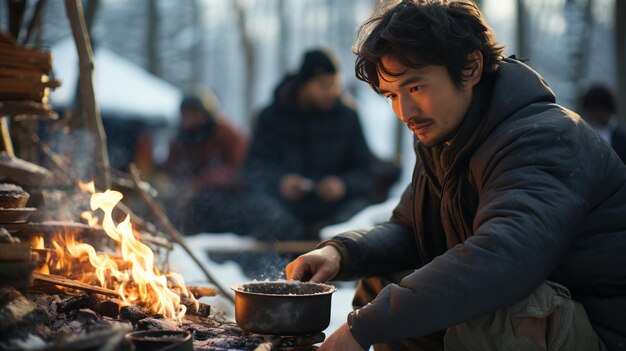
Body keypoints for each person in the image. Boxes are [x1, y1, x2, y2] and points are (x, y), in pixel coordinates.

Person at [286, 1, 626, 350]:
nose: (405, 112)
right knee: (386, 280)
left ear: (472, 66)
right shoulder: (446, 138)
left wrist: (362, 329)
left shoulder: (543, 138)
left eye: (416, 88)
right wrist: (340, 253)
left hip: (599, 332)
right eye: (392, 95)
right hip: (546, 316)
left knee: (494, 313)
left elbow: (502, 259)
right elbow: (410, 231)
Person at [244, 48, 375, 240]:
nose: (331, 92)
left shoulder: (348, 116)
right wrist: (281, 182)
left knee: (359, 215)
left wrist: (342, 185)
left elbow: (366, 170)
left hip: (335, 208)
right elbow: (255, 168)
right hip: (286, 207)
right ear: (304, 85)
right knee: (260, 209)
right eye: (323, 85)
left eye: (335, 85)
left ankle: (334, 250)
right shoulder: (271, 117)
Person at [158, 92, 249, 234]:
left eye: (193, 113)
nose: (188, 118)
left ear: (206, 114)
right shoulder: (181, 138)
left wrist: (200, 183)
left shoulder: (226, 134)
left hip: (227, 196)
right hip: (190, 194)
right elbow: (171, 166)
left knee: (209, 205)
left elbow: (237, 168)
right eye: (185, 114)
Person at [580, 85, 626, 163]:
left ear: (608, 110)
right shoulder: (580, 135)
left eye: (599, 110)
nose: (595, 115)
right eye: (592, 111)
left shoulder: (621, 138)